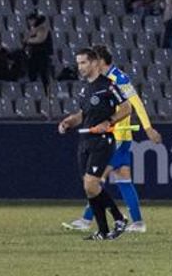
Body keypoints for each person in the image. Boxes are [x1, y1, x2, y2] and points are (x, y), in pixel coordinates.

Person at [63, 48, 162, 233]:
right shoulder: (101, 82)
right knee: (123, 178)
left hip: (115, 137)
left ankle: (87, 219)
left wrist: (148, 128)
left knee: (93, 180)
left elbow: (135, 104)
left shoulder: (118, 78)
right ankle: (138, 223)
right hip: (120, 137)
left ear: (99, 61)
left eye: (91, 61)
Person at [55, 49, 129, 241]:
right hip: (85, 140)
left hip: (103, 141)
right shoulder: (84, 89)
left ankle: (119, 218)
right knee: (89, 188)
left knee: (91, 183)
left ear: (95, 63)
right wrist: (69, 122)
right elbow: (83, 115)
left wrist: (109, 122)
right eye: (78, 63)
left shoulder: (108, 86)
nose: (80, 67)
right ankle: (103, 231)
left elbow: (127, 108)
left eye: (84, 63)